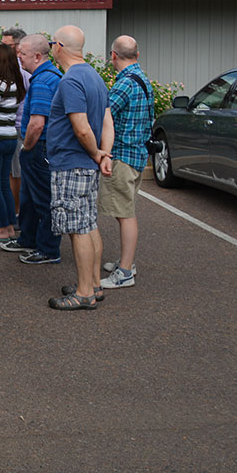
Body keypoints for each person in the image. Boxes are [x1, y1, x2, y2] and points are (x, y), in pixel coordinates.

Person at [45, 26, 113, 311]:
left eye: (52, 43)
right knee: (88, 223)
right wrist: (104, 154)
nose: (50, 47)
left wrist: (96, 151)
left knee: (78, 229)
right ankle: (94, 284)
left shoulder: (71, 80)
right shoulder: (94, 76)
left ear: (59, 46)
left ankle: (84, 292)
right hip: (86, 164)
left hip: (72, 164)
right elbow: (107, 121)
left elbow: (81, 126)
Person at [99, 35, 153, 290]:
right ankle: (125, 262)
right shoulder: (142, 79)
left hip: (122, 155)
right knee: (126, 211)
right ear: (137, 55)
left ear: (113, 56)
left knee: (125, 214)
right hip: (138, 153)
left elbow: (105, 116)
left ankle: (125, 271)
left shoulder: (123, 84)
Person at [15, 34, 64, 266]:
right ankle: (33, 240)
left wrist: (26, 147)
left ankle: (48, 249)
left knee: (44, 199)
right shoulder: (49, 76)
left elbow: (37, 123)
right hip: (43, 147)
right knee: (34, 198)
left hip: (39, 148)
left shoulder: (43, 80)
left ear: (36, 56)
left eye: (22, 54)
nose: (19, 58)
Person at [0, 44, 25, 245]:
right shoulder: (15, 82)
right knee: (3, 183)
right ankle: (10, 225)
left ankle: (3, 227)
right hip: (10, 137)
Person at [0, 28, 30, 223]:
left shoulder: (19, 71)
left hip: (18, 126)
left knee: (16, 174)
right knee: (15, 173)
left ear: (17, 47)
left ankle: (16, 214)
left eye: (6, 46)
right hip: (18, 126)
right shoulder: (23, 70)